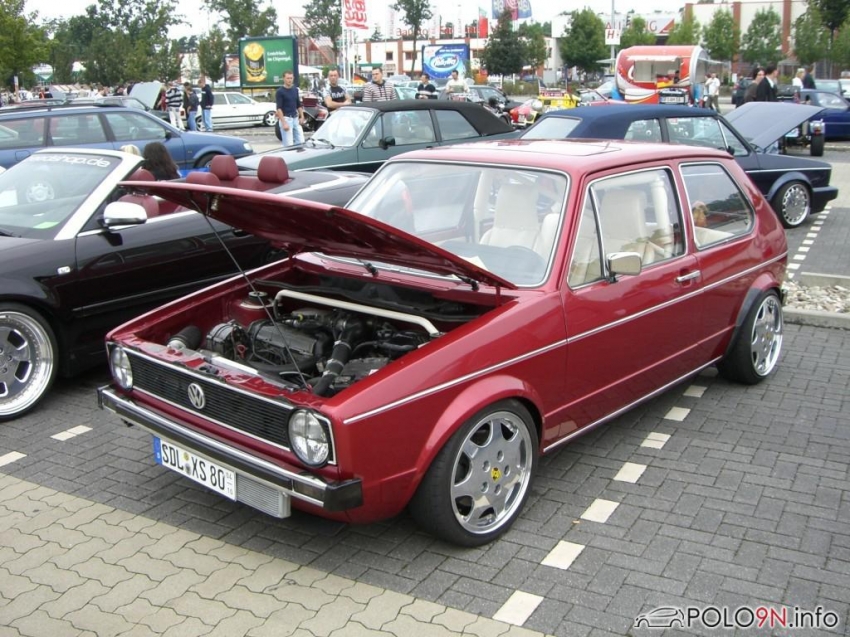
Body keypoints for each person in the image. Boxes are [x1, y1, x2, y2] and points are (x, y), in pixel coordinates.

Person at [276, 70, 305, 146]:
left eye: (291, 78)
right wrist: (283, 123)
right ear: (284, 78)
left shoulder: (295, 90)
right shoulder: (280, 91)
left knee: (301, 141)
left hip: (295, 118)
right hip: (286, 118)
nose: (289, 80)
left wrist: (302, 116)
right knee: (288, 144)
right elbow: (279, 108)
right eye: (288, 78)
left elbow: (298, 104)